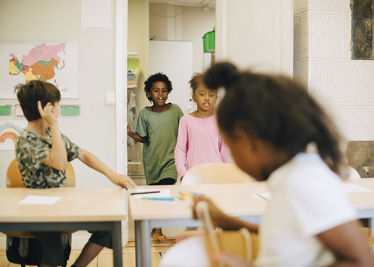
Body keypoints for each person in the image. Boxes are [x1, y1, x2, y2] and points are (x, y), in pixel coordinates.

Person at [161, 62, 374, 267]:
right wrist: (229, 223)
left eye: (229, 143)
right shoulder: (289, 177)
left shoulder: (305, 183)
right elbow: (287, 235)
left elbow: (362, 262)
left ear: (245, 139)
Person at [14, 80, 136, 267]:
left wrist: (113, 175)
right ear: (48, 108)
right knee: (53, 253)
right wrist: (54, 125)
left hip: (61, 208)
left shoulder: (50, 133)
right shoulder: (26, 140)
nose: (59, 109)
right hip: (38, 214)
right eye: (57, 105)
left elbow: (82, 154)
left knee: (109, 226)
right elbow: (60, 163)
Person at [127, 72, 183, 240]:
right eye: (156, 91)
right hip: (152, 160)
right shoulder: (145, 114)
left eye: (164, 90)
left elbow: (184, 132)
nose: (160, 94)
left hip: (171, 161)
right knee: (156, 195)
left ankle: (157, 230)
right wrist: (130, 133)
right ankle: (154, 229)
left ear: (168, 92)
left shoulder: (176, 110)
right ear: (149, 93)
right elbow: (144, 138)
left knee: (165, 190)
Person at [174, 73, 231, 182]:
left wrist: (226, 172)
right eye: (202, 94)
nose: (206, 98)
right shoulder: (185, 120)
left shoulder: (220, 120)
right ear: (194, 97)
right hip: (193, 175)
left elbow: (224, 151)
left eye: (211, 95)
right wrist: (182, 172)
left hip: (216, 174)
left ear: (216, 98)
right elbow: (180, 149)